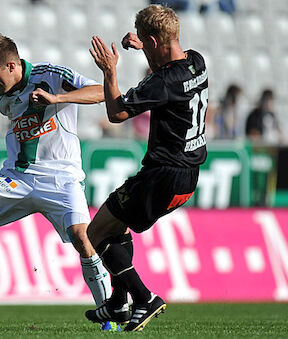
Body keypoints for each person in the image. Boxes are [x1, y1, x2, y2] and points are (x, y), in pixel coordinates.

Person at [0, 34, 118, 331]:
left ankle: (109, 313)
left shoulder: (52, 75)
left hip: (61, 176)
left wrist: (59, 98)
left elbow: (102, 92)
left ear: (12, 65)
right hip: (17, 176)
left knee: (82, 237)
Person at [84, 4, 208, 332]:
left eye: (144, 40)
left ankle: (143, 297)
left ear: (153, 41)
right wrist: (147, 49)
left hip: (162, 175)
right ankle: (118, 303)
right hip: (188, 177)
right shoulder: (197, 61)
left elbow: (117, 113)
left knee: (94, 234)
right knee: (117, 226)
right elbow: (169, 72)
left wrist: (110, 71)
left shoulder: (163, 82)